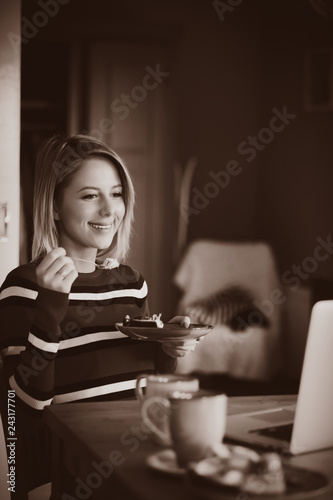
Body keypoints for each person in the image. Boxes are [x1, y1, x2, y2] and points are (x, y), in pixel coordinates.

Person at [0, 134, 198, 498]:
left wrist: (167, 346)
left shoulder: (132, 284)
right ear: (55, 206)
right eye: (90, 195)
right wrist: (50, 310)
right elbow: (20, 415)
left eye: (117, 193)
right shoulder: (23, 287)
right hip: (74, 477)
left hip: (141, 463)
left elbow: (146, 389)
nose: (110, 210)